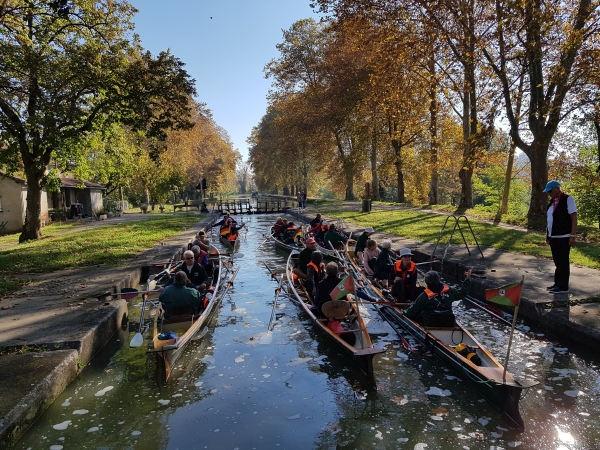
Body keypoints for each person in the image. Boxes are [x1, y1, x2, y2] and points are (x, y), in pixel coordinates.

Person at [401, 269, 472, 325]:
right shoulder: (450, 291)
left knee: (418, 314)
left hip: (430, 323)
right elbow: (463, 293)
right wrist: (468, 279)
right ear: (439, 280)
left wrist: (404, 312)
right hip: (448, 322)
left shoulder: (424, 296)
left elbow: (413, 311)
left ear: (426, 282)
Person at [544, 180, 577, 293]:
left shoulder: (568, 199)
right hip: (554, 237)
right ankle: (557, 283)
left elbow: (574, 217)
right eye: (548, 192)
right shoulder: (551, 204)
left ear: (557, 189)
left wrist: (572, 235)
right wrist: (548, 236)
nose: (549, 194)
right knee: (557, 262)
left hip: (564, 236)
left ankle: (563, 286)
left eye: (550, 191)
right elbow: (549, 221)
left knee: (563, 262)